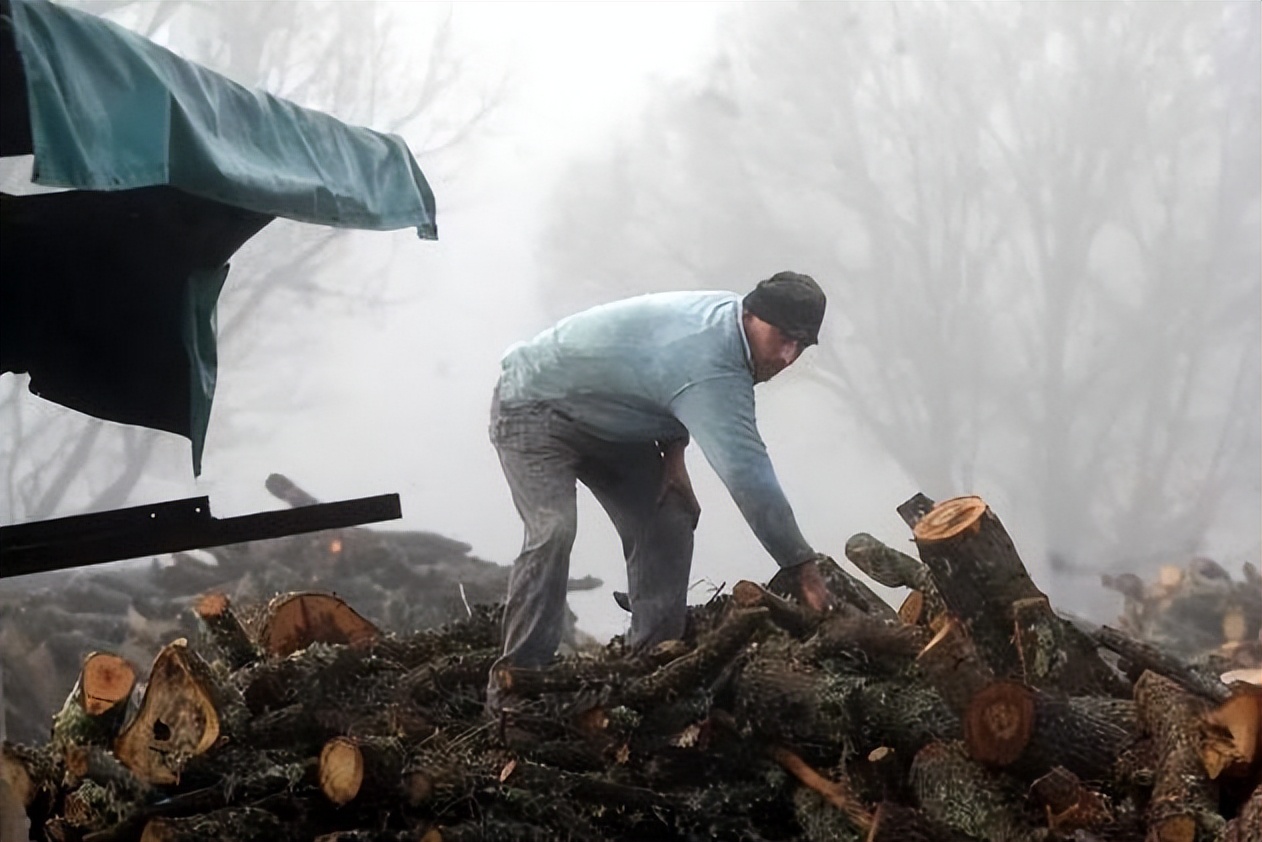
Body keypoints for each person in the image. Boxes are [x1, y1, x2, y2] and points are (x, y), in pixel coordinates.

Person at [486, 271, 834, 711]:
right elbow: (749, 477)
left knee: (669, 518)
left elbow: (656, 374)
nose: (788, 356)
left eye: (801, 346)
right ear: (750, 315)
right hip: (533, 406)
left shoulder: (727, 323)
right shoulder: (714, 358)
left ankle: (652, 674)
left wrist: (674, 456)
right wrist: (803, 567)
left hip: (613, 421)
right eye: (783, 337)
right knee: (553, 530)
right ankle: (516, 691)